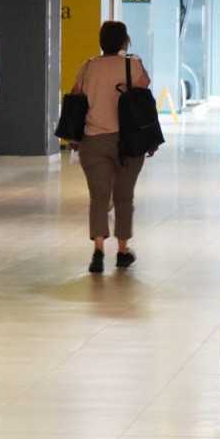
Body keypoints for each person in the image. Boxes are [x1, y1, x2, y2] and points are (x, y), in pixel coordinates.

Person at [67, 21, 150, 274]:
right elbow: (144, 86)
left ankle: (98, 251)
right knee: (124, 197)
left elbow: (75, 95)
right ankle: (122, 252)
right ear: (125, 41)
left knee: (99, 198)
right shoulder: (131, 65)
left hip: (94, 141)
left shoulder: (88, 66)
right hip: (128, 142)